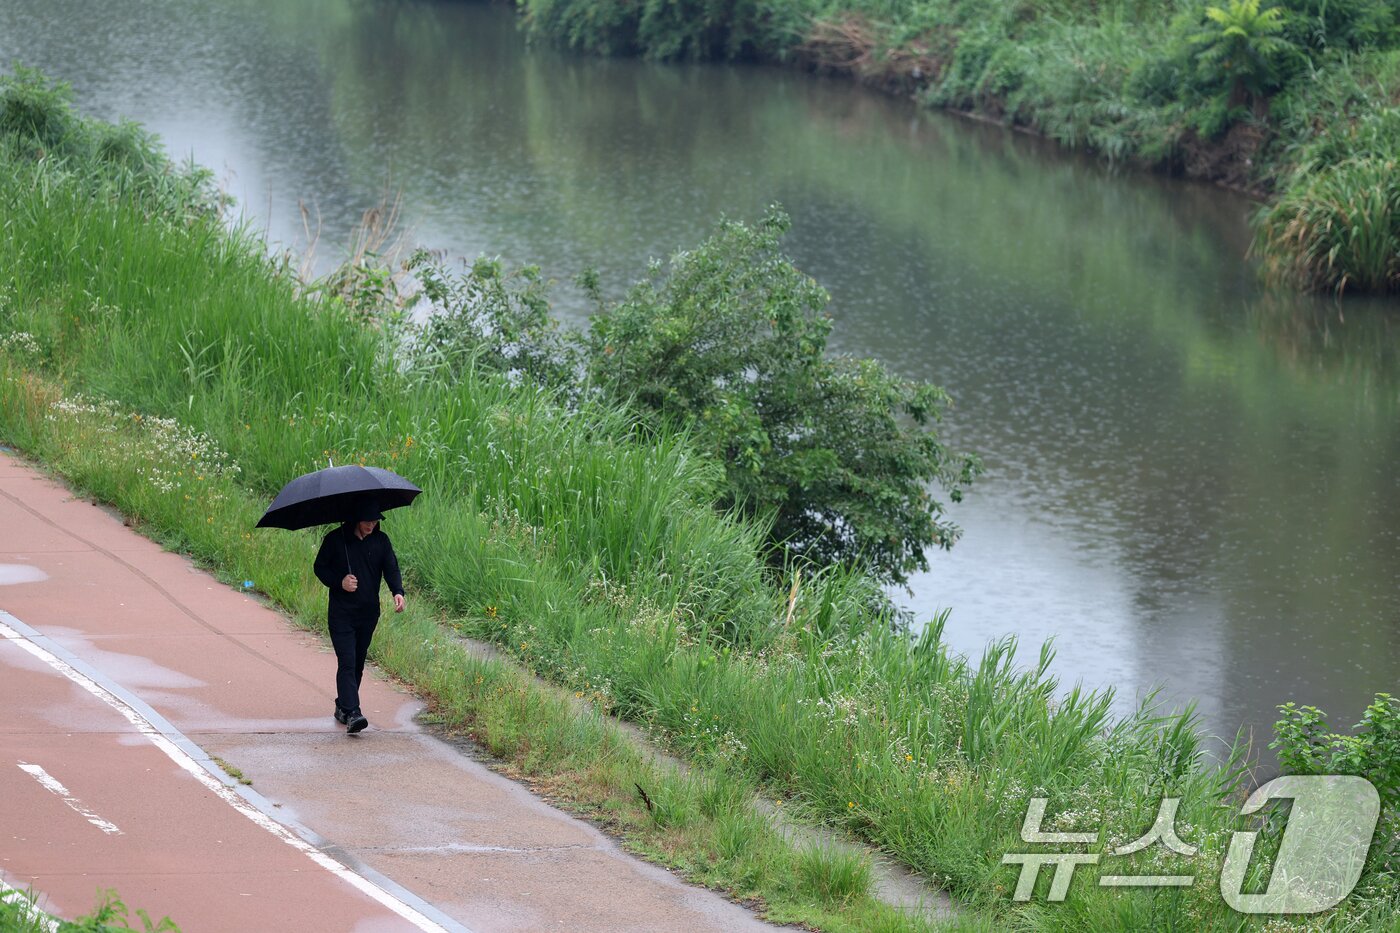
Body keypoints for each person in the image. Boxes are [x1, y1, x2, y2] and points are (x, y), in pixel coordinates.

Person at [313, 499, 405, 734]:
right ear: (355, 519)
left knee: (358, 662)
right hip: (341, 613)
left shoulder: (381, 541)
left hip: (368, 613)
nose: (371, 525)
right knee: (347, 660)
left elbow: (391, 568)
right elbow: (319, 567)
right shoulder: (336, 540)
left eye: (375, 521)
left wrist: (397, 591)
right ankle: (354, 713)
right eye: (367, 521)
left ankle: (343, 707)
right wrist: (339, 581)